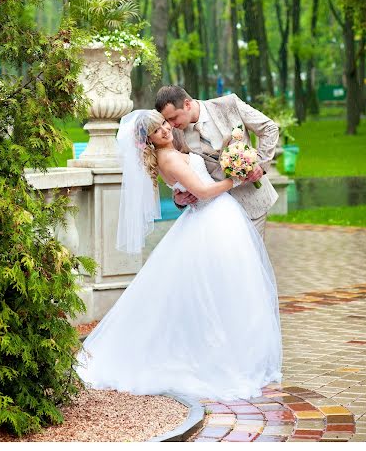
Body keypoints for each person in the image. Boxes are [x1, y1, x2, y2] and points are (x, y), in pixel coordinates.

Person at [76, 109, 282, 402]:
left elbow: (190, 186)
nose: (165, 130)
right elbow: (204, 191)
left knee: (225, 290)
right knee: (220, 292)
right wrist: (240, 178)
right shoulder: (169, 157)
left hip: (214, 219)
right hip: (211, 219)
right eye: (157, 130)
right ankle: (221, 358)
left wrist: (186, 190)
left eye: (163, 124)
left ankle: (235, 353)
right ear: (146, 140)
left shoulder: (173, 149)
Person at [155, 86, 279, 239]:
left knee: (250, 258)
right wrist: (178, 199)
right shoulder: (173, 134)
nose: (170, 124)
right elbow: (175, 172)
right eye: (167, 120)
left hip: (250, 198)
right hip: (214, 212)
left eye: (173, 117)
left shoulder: (229, 104)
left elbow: (269, 128)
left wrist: (260, 163)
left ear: (187, 104)